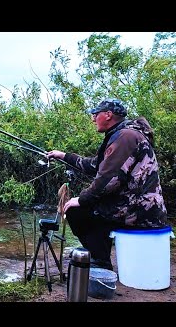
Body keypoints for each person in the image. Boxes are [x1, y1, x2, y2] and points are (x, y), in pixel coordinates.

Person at [47, 97, 167, 270]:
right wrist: (63, 156)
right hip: (137, 206)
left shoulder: (126, 137)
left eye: (96, 114)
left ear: (108, 115)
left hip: (140, 211)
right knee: (87, 206)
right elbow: (95, 166)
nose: (93, 118)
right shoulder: (123, 134)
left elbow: (107, 179)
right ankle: (100, 258)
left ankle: (100, 261)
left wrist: (81, 199)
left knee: (75, 210)